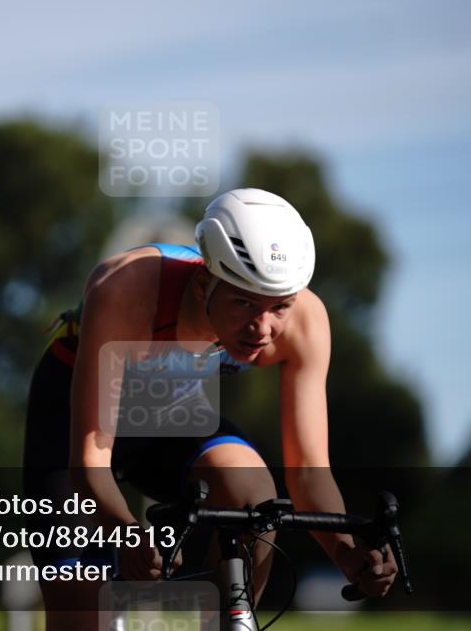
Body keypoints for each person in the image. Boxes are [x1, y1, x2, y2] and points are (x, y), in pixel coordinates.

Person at [22, 188, 397, 629]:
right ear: (204, 283)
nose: (262, 328)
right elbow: (90, 462)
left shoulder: (305, 321)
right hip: (72, 417)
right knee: (84, 603)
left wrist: (345, 550)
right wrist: (125, 532)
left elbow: (309, 472)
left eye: (279, 306)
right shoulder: (126, 290)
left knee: (255, 498)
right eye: (243, 303)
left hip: (173, 414)